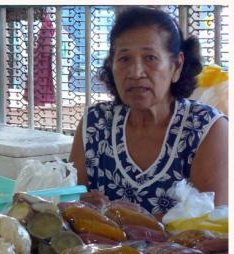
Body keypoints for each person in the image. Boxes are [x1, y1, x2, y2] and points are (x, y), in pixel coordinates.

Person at [69, 6, 228, 218]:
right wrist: (82, 207)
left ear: (176, 66)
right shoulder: (95, 124)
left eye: (150, 58)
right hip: (99, 251)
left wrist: (120, 221)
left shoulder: (207, 128)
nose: (136, 73)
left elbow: (211, 226)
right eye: (124, 59)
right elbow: (70, 202)